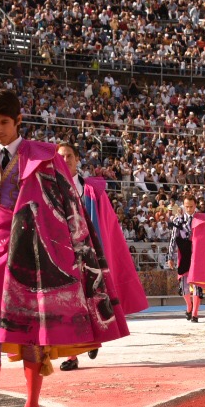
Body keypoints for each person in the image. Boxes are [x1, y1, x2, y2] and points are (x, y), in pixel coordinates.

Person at [0, 88, 114, 407]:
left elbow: (67, 208)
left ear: (19, 121)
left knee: (29, 335)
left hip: (31, 255)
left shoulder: (43, 157)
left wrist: (74, 254)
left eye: (3, 124)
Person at [55, 143, 148, 371]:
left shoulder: (93, 191)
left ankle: (92, 338)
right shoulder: (51, 190)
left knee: (92, 299)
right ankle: (72, 355)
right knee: (69, 305)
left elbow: (107, 225)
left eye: (69, 156)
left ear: (77, 159)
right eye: (61, 157)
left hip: (89, 254)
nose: (65, 160)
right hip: (64, 255)